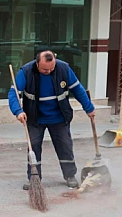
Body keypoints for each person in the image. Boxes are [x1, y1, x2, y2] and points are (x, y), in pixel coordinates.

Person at [9, 51, 95, 189]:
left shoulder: (63, 68)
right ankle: (34, 178)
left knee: (65, 146)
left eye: (51, 68)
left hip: (59, 116)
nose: (48, 71)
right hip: (35, 117)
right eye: (44, 69)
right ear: (37, 63)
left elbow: (78, 89)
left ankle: (70, 175)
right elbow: (13, 94)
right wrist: (18, 111)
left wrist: (89, 108)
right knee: (34, 146)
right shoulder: (26, 72)